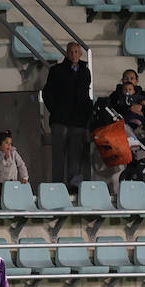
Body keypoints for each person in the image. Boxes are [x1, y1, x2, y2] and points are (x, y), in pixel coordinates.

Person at [42, 41, 92, 190]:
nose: (74, 55)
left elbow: (84, 95)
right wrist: (56, 111)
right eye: (71, 52)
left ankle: (73, 185)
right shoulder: (56, 70)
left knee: (75, 155)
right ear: (66, 53)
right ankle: (57, 186)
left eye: (76, 52)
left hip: (78, 121)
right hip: (60, 120)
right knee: (58, 155)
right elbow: (48, 93)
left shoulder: (85, 71)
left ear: (80, 54)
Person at [108, 69, 145, 135]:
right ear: (122, 80)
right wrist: (129, 109)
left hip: (141, 126)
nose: (129, 80)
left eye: (132, 78)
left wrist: (141, 108)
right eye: (126, 78)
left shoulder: (143, 94)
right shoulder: (115, 95)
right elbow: (111, 109)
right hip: (121, 125)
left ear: (136, 81)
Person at [0, 130, 29, 199]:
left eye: (10, 143)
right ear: (0, 143)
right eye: (6, 143)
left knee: (12, 198)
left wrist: (24, 177)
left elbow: (21, 164)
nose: (9, 146)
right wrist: (4, 160)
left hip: (12, 183)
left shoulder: (13, 153)